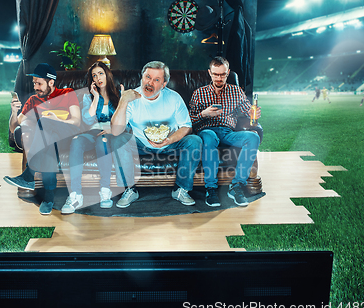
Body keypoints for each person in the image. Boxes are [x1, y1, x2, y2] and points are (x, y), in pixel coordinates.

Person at [111, 61, 202, 208]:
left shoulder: (174, 98)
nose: (150, 83)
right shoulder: (132, 98)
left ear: (164, 84)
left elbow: (186, 127)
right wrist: (123, 100)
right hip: (140, 144)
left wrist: (168, 140)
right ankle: (129, 190)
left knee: (194, 140)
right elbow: (115, 130)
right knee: (118, 140)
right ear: (141, 77)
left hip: (169, 143)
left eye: (156, 80)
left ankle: (181, 190)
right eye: (147, 77)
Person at [3, 63, 81, 215]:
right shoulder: (33, 100)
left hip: (69, 136)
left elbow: (76, 122)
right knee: (48, 140)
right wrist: (14, 112)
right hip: (50, 142)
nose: (36, 87)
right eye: (34, 83)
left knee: (45, 123)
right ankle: (48, 198)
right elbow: (14, 128)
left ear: (51, 82)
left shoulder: (67, 93)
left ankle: (29, 174)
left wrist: (56, 120)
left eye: (39, 83)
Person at [189, 57, 261, 207]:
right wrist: (204, 114)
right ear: (210, 73)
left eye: (222, 74)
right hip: (207, 130)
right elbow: (189, 122)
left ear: (228, 73)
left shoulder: (236, 91)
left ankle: (236, 186)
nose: (219, 78)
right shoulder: (199, 93)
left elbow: (247, 110)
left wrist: (253, 113)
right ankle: (211, 188)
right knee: (209, 138)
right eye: (216, 74)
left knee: (253, 137)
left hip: (228, 132)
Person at [61, 62, 120, 214]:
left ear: (107, 74)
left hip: (111, 134)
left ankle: (105, 191)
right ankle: (75, 194)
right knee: (76, 141)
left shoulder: (118, 95)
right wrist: (95, 97)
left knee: (103, 141)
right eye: (94, 75)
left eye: (100, 73)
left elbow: (126, 120)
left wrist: (111, 129)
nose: (98, 77)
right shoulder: (88, 97)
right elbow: (87, 120)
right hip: (92, 132)